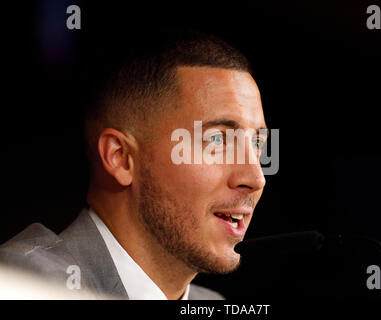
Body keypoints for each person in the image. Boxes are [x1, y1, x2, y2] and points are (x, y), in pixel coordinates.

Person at [0, 30, 267, 300]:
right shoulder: (24, 284)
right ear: (120, 158)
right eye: (217, 139)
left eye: (257, 144)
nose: (256, 178)